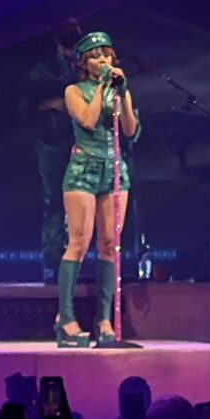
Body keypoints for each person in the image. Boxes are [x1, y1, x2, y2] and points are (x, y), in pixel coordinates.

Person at [56, 30, 140, 347]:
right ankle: (65, 319)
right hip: (83, 170)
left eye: (105, 55)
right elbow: (89, 121)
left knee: (109, 244)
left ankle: (104, 319)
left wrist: (124, 93)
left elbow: (130, 130)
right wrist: (104, 86)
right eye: (94, 57)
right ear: (85, 63)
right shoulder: (74, 91)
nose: (101, 61)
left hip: (115, 170)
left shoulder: (120, 91)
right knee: (79, 241)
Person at [20, 17, 84, 284]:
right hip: (52, 142)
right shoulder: (43, 69)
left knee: (80, 205)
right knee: (56, 203)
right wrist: (53, 103)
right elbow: (25, 106)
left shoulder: (86, 67)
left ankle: (75, 263)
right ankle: (53, 265)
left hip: (82, 142)